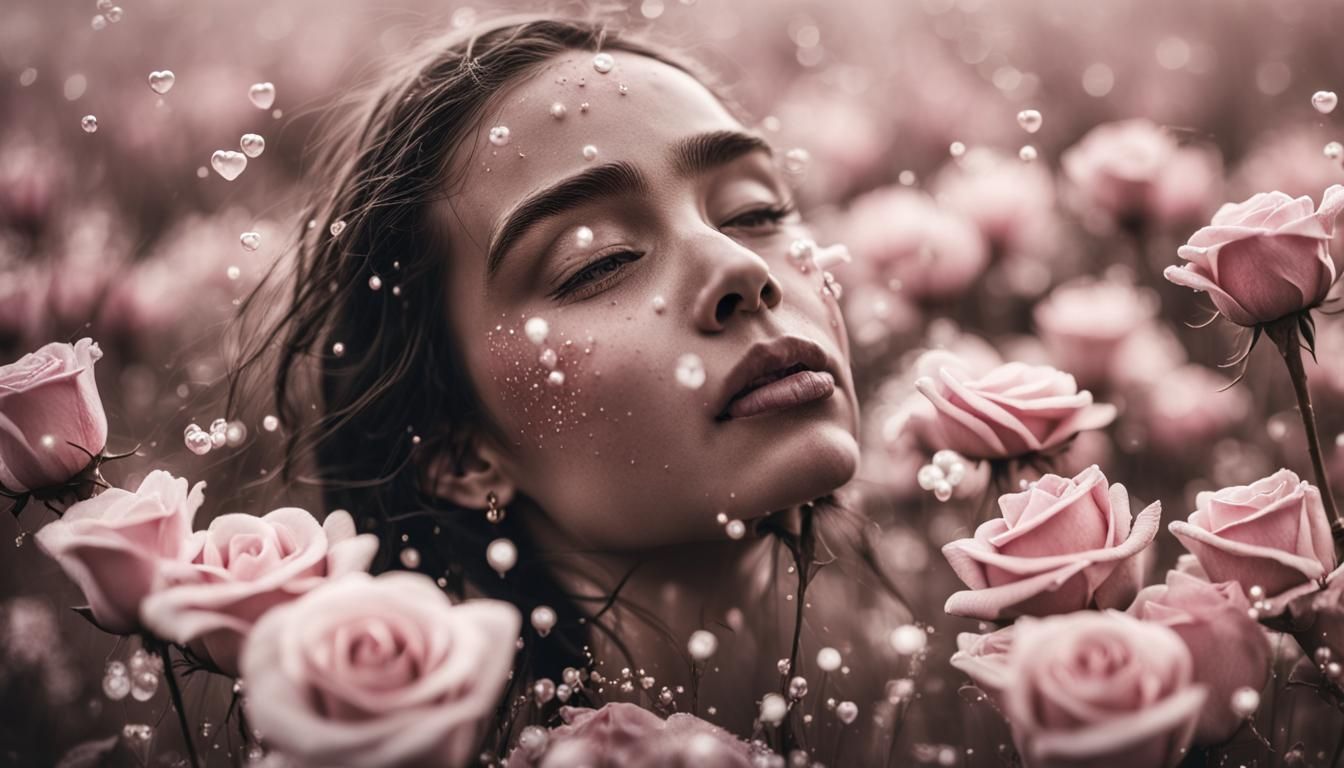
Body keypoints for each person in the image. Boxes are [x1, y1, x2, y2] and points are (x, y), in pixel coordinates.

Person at [232, 13, 908, 760]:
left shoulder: (942, 678)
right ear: (461, 453)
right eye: (600, 261)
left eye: (756, 211)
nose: (741, 268)